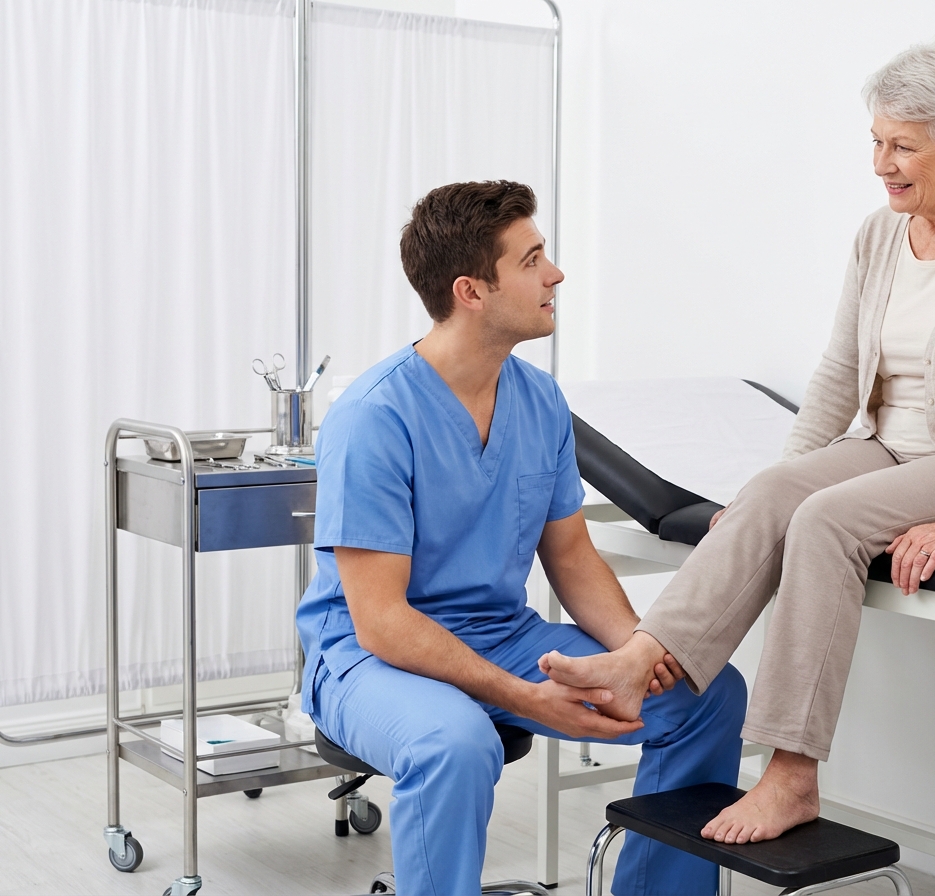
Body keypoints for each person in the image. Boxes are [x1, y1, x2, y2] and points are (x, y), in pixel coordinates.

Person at [540, 35, 935, 846]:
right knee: (768, 497)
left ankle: (792, 774)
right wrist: (778, 487)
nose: (879, 162)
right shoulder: (878, 233)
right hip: (887, 445)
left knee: (824, 522)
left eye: (901, 145)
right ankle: (638, 662)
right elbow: (837, 370)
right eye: (875, 140)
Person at [295, 181, 746, 895]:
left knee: (705, 696)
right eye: (533, 259)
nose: (555, 274)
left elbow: (570, 555)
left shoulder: (539, 401)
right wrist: (520, 695)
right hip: (368, 656)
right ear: (471, 291)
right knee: (455, 742)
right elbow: (381, 621)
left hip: (500, 633)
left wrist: (635, 654)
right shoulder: (374, 418)